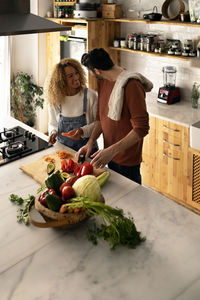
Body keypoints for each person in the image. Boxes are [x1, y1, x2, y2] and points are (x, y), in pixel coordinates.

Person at [76, 48, 153, 184]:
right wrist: (90, 142)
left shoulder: (132, 85)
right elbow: (101, 116)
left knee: (129, 201)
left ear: (97, 71)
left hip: (127, 159)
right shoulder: (103, 81)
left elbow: (142, 128)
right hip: (109, 155)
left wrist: (111, 151)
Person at [44, 58, 98, 153]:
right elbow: (53, 123)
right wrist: (53, 132)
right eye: (70, 76)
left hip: (88, 151)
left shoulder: (91, 95)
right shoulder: (55, 99)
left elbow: (99, 125)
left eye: (77, 73)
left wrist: (82, 131)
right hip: (64, 151)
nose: (76, 77)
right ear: (61, 80)